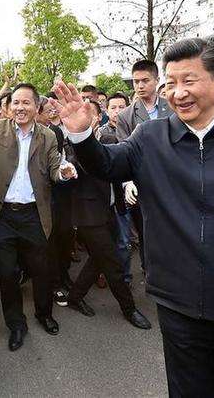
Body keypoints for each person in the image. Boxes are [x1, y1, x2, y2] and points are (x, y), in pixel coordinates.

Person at [51, 38, 214, 397]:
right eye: (171, 83)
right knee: (188, 388)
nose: (178, 93)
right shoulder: (150, 137)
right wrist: (81, 133)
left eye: (189, 80)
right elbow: (106, 164)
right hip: (176, 295)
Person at [0, 83, 76, 352]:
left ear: (37, 107)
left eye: (26, 102)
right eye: (16, 102)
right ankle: (16, 324)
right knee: (7, 274)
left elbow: (54, 168)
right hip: (0, 216)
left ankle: (44, 314)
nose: (20, 107)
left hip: (34, 215)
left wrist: (64, 172)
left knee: (41, 270)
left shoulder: (48, 136)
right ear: (9, 106)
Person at [65, 100, 151, 329]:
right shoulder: (72, 143)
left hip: (112, 210)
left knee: (98, 260)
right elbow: (73, 164)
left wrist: (128, 184)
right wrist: (69, 167)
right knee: (113, 265)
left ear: (97, 117)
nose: (85, 117)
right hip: (89, 217)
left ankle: (75, 297)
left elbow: (120, 166)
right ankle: (129, 309)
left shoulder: (110, 140)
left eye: (90, 113)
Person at [116, 60, 172, 273]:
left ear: (157, 80)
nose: (139, 86)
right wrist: (128, 182)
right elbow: (124, 152)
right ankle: (150, 273)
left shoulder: (173, 106)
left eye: (145, 80)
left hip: (173, 180)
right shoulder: (126, 116)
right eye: (135, 81)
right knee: (146, 234)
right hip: (142, 184)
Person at [98, 92, 133, 284]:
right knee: (107, 241)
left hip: (129, 195)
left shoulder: (135, 130)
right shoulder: (100, 134)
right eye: (113, 107)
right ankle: (106, 274)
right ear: (106, 110)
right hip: (106, 197)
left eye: (122, 107)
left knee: (124, 241)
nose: (117, 111)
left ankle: (124, 277)